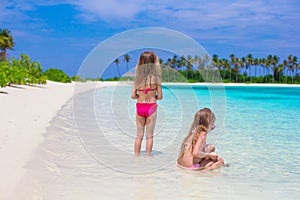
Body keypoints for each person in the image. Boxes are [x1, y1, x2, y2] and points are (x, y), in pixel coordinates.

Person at [131, 51, 163, 155]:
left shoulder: (137, 79)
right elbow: (160, 97)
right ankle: (148, 160)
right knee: (149, 136)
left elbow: (132, 96)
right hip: (151, 107)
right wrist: (154, 97)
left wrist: (139, 96)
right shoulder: (156, 78)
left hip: (140, 106)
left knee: (139, 135)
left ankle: (136, 158)